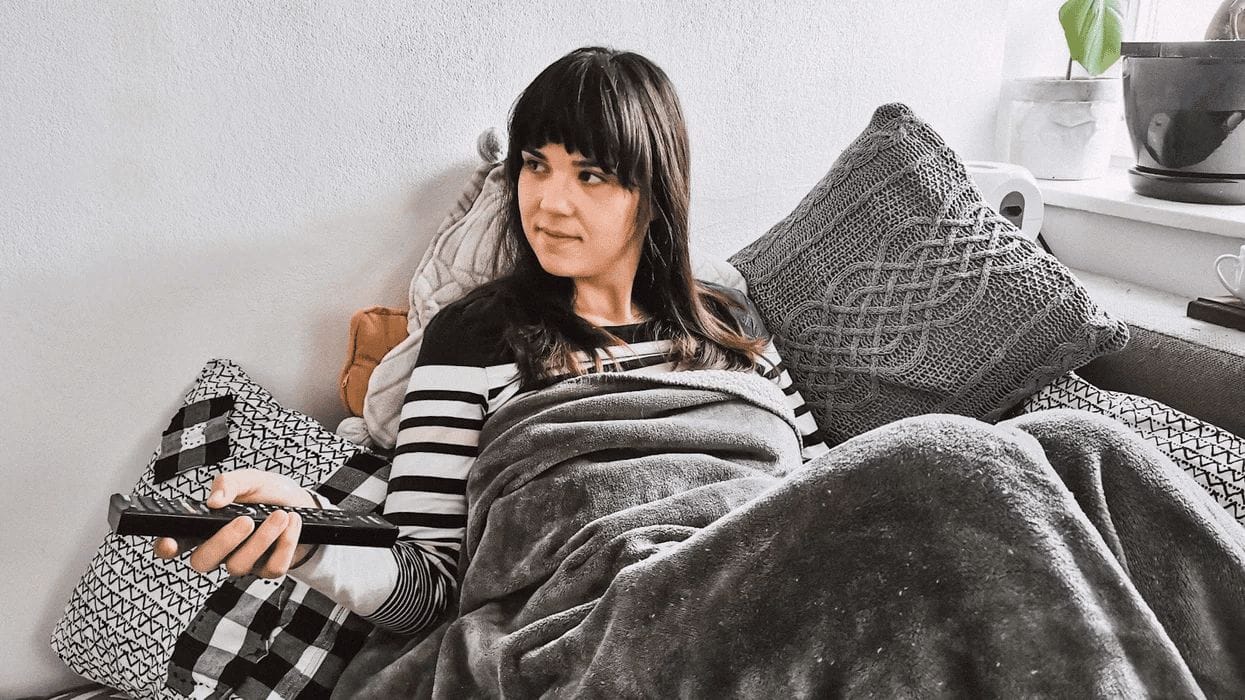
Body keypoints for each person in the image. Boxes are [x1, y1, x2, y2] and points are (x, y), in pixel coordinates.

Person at [154, 45, 830, 637]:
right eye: (537, 166)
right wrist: (313, 542)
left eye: (588, 175)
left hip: (774, 615)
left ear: (651, 192)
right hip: (594, 641)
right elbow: (428, 590)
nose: (549, 203)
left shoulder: (731, 327)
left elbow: (825, 499)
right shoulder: (475, 339)